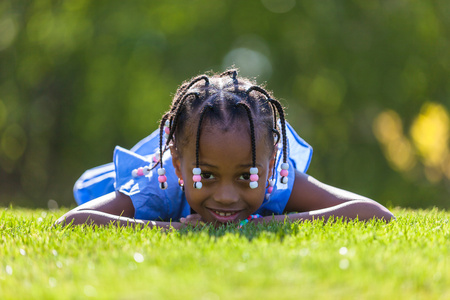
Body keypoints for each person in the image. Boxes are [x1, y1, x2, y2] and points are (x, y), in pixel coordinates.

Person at [56, 69, 394, 229]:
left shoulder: (274, 180)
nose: (228, 196)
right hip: (118, 181)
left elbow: (376, 214)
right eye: (207, 176)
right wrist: (172, 228)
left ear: (272, 160)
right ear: (178, 164)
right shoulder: (160, 185)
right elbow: (72, 222)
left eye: (246, 176)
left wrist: (272, 223)